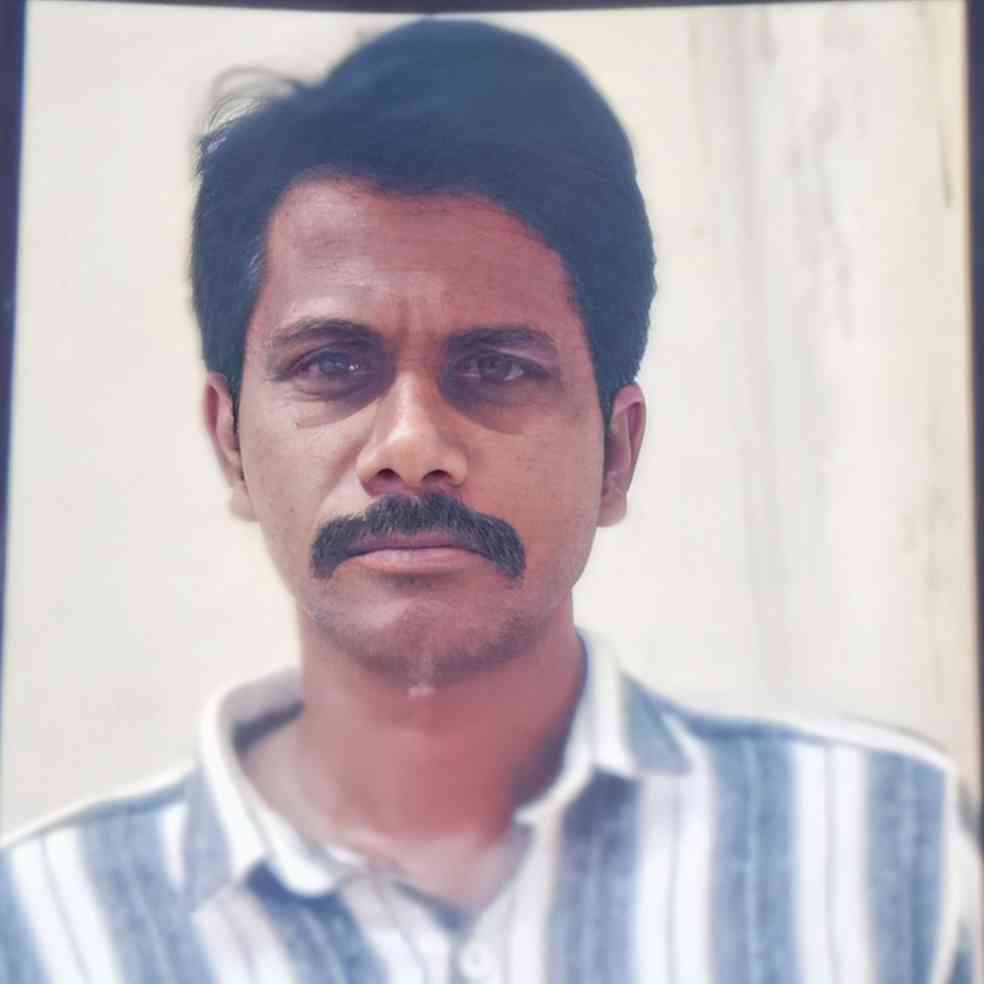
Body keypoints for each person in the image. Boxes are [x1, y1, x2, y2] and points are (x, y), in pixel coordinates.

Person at [0, 18, 979, 984]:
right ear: (232, 444)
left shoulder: (889, 858)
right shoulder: (45, 931)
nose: (411, 449)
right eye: (333, 365)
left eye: (498, 367)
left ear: (617, 453)